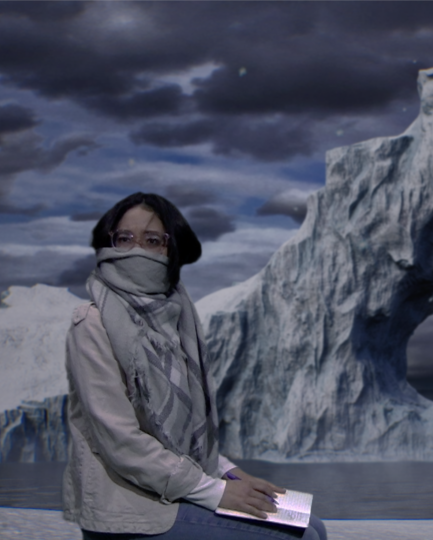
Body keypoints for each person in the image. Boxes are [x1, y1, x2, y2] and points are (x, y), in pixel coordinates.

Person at [62, 192, 326, 540]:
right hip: (129, 510)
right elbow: (120, 442)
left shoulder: (176, 319)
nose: (137, 248)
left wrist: (231, 474)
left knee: (312, 525)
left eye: (152, 240)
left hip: (170, 492)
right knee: (296, 537)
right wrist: (218, 492)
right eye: (124, 238)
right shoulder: (93, 324)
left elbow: (183, 435)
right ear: (109, 242)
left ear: (170, 250)